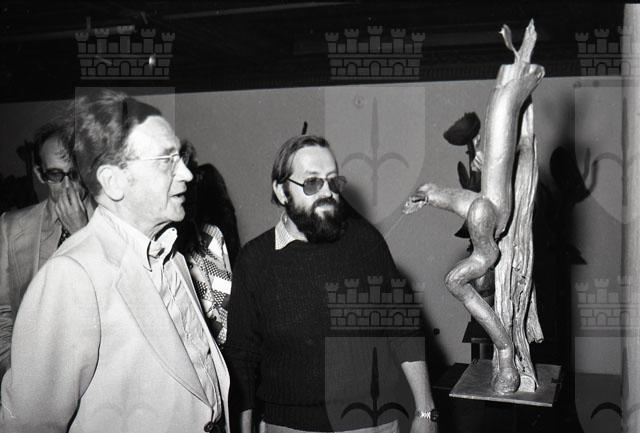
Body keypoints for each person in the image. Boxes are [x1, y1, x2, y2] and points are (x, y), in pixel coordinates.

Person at [0, 90, 229, 433]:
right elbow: (29, 425)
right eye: (166, 161)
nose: (186, 173)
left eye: (180, 157)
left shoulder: (173, 257)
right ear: (113, 181)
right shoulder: (72, 275)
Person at [225, 135, 438, 433]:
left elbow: (403, 331)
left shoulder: (366, 242)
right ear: (282, 191)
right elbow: (241, 359)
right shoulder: (255, 260)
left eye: (333, 182)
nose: (327, 192)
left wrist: (426, 412)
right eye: (312, 183)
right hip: (289, 427)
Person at [0, 121, 93, 379]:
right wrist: (14, 375)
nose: (68, 186)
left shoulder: (113, 226)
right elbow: (3, 313)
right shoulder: (10, 227)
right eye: (55, 175)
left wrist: (82, 234)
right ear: (40, 174)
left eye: (75, 174)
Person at [177, 142, 241, 347]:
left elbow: (229, 316)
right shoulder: (160, 252)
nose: (188, 187)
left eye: (193, 178)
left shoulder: (212, 236)